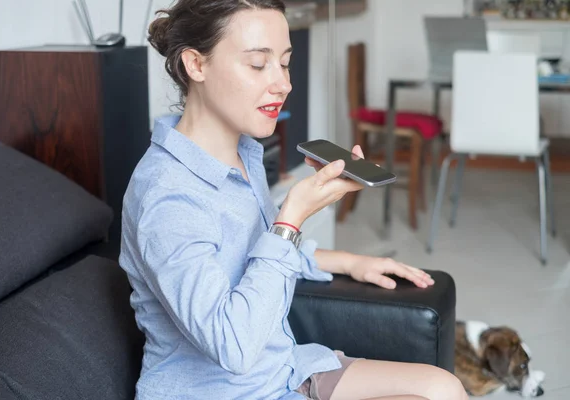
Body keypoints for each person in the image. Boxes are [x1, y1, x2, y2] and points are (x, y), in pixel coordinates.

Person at [119, 1, 468, 399]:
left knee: (443, 389)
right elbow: (233, 344)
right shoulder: (167, 196)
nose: (282, 83)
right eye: (257, 64)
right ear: (196, 65)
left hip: (283, 368)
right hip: (223, 390)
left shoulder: (243, 153)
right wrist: (291, 220)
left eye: (284, 63)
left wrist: (351, 263)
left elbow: (252, 256)